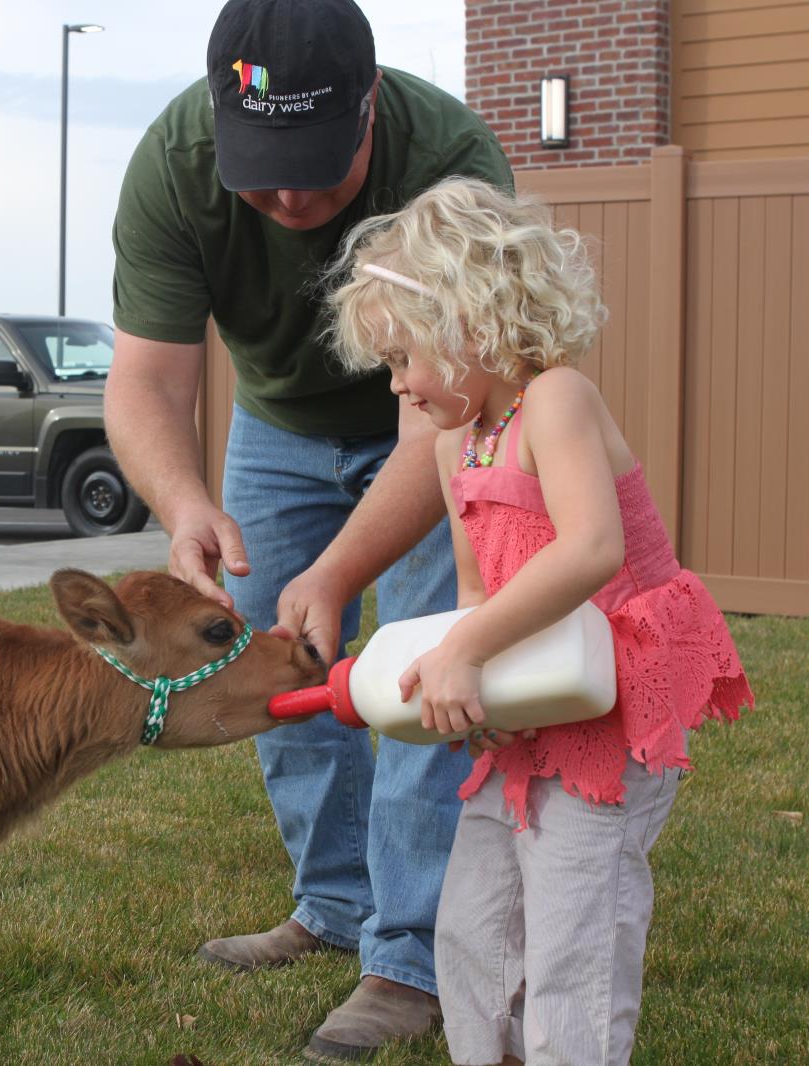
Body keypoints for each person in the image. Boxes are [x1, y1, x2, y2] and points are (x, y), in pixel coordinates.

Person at [106, 0, 513, 1057]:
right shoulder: (174, 164)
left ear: (369, 106)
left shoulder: (451, 163)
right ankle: (333, 903)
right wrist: (185, 502)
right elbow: (147, 376)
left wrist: (338, 571)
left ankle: (408, 958)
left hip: (441, 418)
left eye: (314, 163)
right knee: (276, 672)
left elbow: (444, 411)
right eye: (262, 165)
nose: (286, 192)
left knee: (422, 676)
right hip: (278, 426)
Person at [326, 176, 754, 1064]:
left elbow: (592, 547)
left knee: (574, 927)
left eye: (404, 358)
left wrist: (467, 648)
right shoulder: (455, 444)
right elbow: (483, 592)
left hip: (609, 710)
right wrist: (477, 685)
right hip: (535, 705)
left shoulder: (556, 400)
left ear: (470, 321)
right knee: (473, 925)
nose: (398, 387)